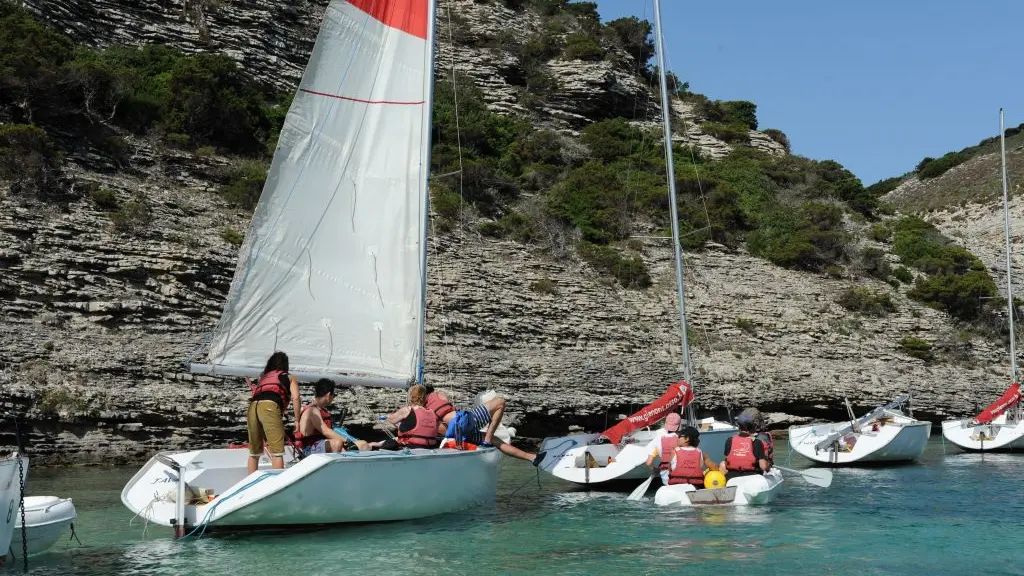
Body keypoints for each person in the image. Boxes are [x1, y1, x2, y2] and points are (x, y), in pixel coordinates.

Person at [424, 384, 544, 466]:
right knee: (500, 402)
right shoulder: (437, 394)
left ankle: (533, 458)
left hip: (459, 434)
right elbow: (445, 400)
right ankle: (488, 438)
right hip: (465, 422)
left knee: (495, 440)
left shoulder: (425, 413)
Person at [246, 351, 301, 474]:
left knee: (254, 452)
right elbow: (296, 398)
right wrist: (297, 420)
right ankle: (277, 484)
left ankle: (248, 483)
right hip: (269, 407)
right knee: (277, 452)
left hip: (252, 407)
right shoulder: (289, 378)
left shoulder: (263, 377)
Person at [294, 379, 369, 455]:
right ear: (329, 395)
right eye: (334, 396)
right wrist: (347, 442)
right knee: (337, 443)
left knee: (363, 445)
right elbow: (326, 431)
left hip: (324, 443)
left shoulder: (320, 409)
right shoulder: (312, 411)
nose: (333, 398)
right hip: (309, 448)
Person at [379, 384, 441, 450]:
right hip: (429, 447)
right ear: (425, 397)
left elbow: (392, 420)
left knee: (385, 445)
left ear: (411, 396)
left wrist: (387, 416)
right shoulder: (432, 412)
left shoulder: (407, 410)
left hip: (410, 447)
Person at [720, 408, 771, 477]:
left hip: (732, 477)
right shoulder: (757, 442)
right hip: (752, 477)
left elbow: (726, 462)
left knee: (722, 463)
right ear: (752, 427)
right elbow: (763, 466)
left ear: (739, 426)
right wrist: (768, 466)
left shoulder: (729, 440)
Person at [645, 412, 682, 485]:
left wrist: (655, 470)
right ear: (679, 426)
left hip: (667, 480)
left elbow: (649, 463)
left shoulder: (656, 440)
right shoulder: (683, 440)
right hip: (683, 478)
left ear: (665, 424)